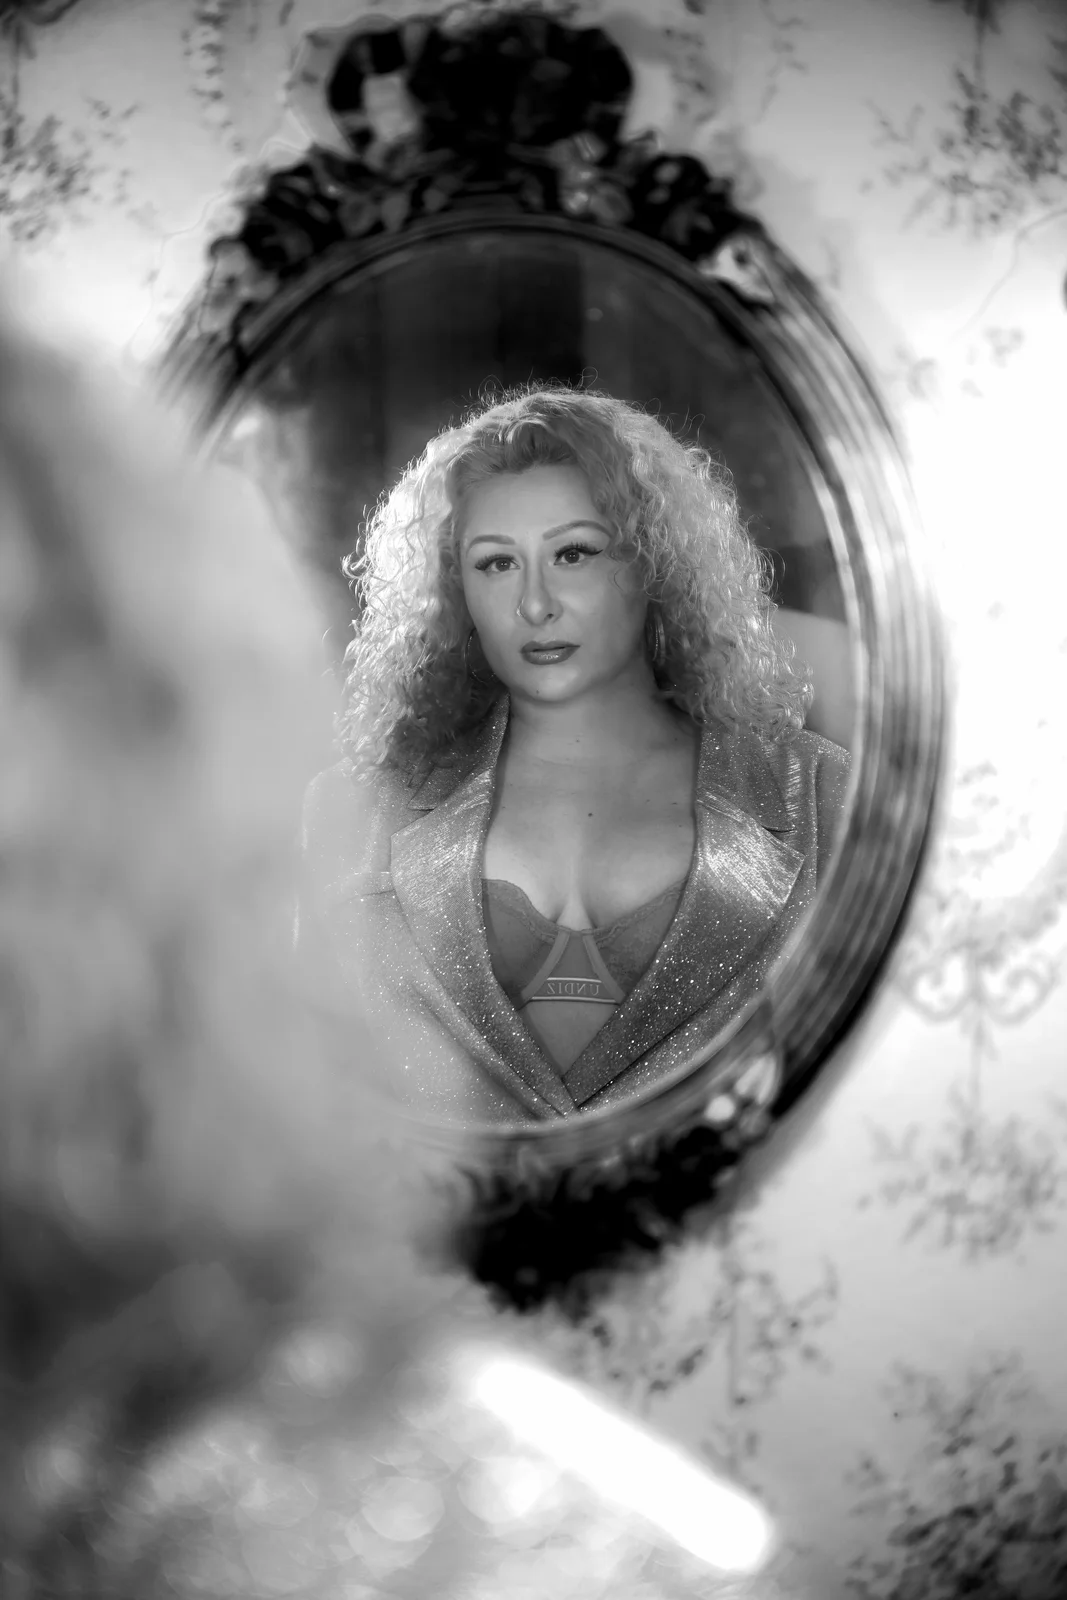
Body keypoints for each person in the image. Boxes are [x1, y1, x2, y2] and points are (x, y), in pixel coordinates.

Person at [300, 387, 851, 1125]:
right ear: (454, 590)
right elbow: (303, 1116)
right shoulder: (351, 812)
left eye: (573, 553)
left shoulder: (819, 795)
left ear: (653, 562)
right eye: (496, 564)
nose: (535, 604)